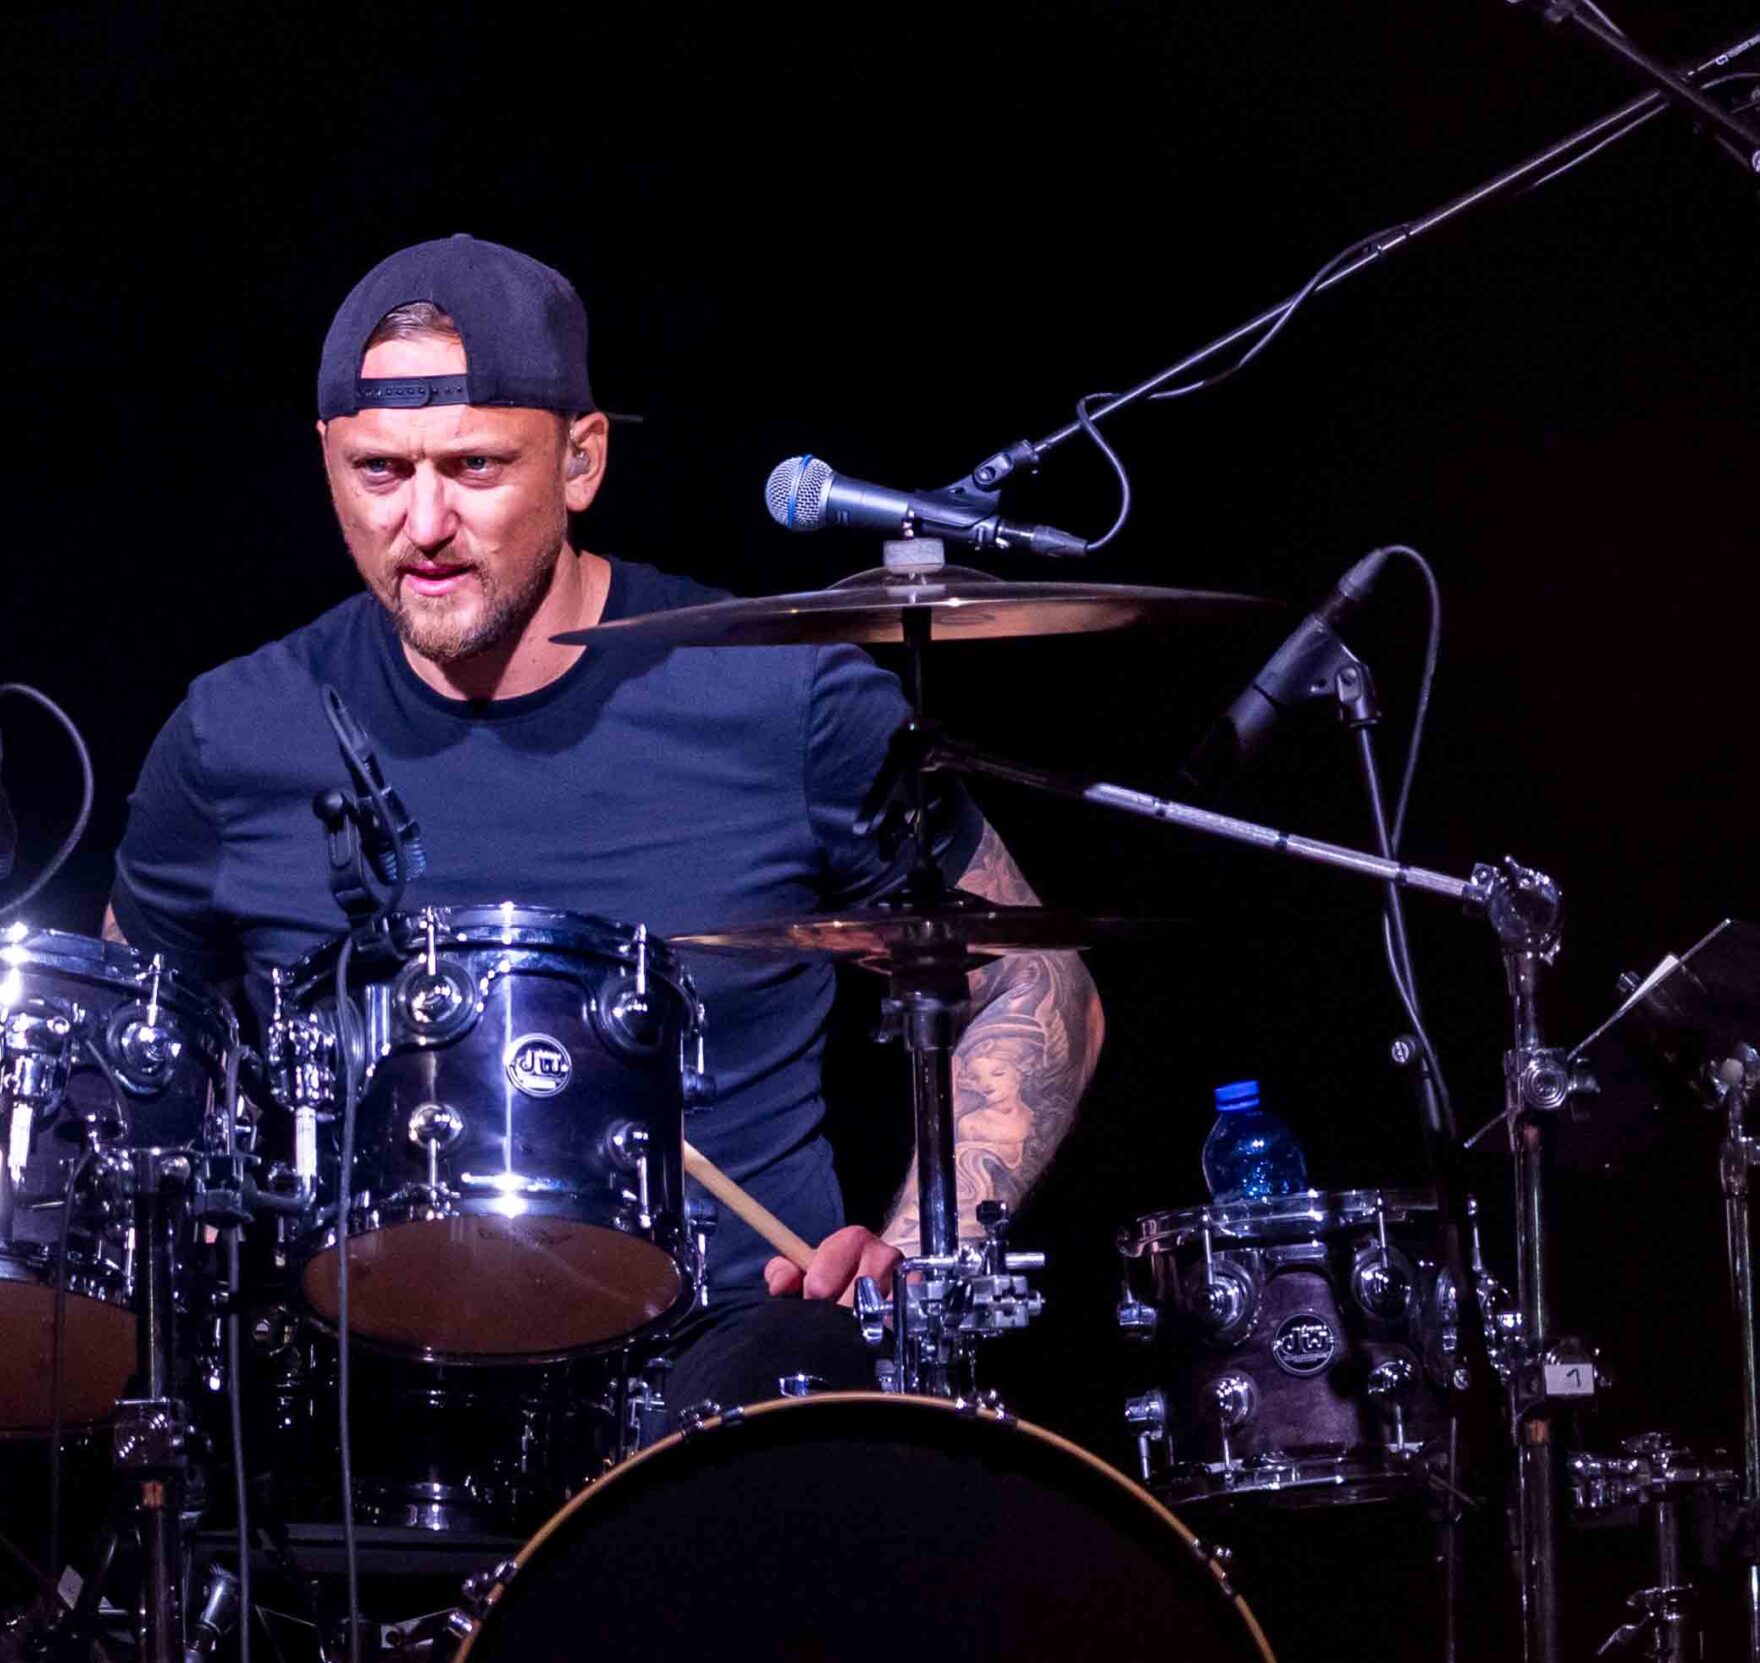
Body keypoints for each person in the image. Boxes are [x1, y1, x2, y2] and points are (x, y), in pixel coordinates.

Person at [105, 234, 1101, 1411]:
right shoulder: (232, 737)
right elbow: (128, 1048)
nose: (423, 521)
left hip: (726, 1394)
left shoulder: (782, 697)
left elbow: (1037, 981)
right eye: (379, 471)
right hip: (358, 1409)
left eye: (474, 465)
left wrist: (919, 1261)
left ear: (581, 460)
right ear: (326, 458)